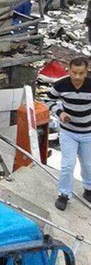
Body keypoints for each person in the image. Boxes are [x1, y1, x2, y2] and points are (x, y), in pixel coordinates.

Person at [48, 56, 91, 211]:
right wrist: (60, 113)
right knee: (68, 164)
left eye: (81, 73)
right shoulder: (61, 85)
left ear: (87, 72)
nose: (77, 77)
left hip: (88, 133)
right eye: (74, 73)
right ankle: (64, 194)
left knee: (88, 164)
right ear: (69, 70)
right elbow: (49, 100)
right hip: (68, 132)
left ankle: (88, 189)